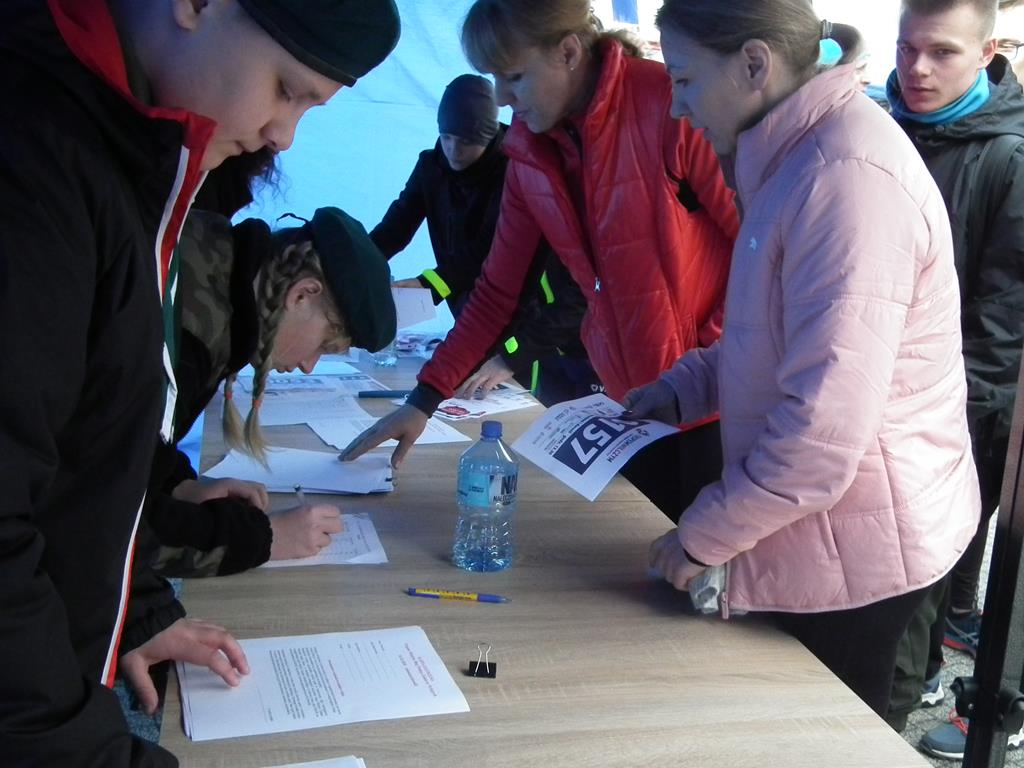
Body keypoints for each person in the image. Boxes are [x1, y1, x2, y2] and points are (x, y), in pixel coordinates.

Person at [0, 0, 400, 764]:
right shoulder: (38, 158)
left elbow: (89, 444)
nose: (284, 135)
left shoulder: (129, 166)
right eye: (286, 90)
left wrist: (145, 583)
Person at [626, 0, 981, 719]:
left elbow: (823, 433)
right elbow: (783, 336)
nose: (678, 107)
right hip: (839, 523)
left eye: (685, 79)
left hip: (866, 542)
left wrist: (702, 536)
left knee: (830, 734)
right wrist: (686, 386)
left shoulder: (845, 179)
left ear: (755, 64)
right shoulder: (799, 153)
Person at [341, 0, 739, 524]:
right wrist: (423, 400)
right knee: (637, 549)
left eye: (513, 77)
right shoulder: (528, 152)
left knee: (702, 555)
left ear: (568, 52)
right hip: (630, 403)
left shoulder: (667, 105)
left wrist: (711, 354)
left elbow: (762, 247)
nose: (501, 99)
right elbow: (495, 294)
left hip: (714, 401)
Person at [879, 0, 1024, 753]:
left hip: (964, 413)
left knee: (939, 563)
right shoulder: (885, 128)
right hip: (888, 401)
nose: (918, 68)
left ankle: (990, 710)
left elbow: (1004, 317)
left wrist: (947, 425)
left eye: (942, 52)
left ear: (987, 52)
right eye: (907, 48)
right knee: (924, 571)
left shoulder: (1009, 156)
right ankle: (930, 669)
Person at [136, 206, 396, 580]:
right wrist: (267, 538)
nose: (309, 366)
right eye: (324, 345)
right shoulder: (190, 333)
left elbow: (140, 452)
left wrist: (179, 486)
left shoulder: (214, 270)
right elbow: (110, 523)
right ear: (303, 295)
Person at [369, 73, 599, 406]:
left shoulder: (514, 168)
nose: (454, 150)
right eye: (447, 137)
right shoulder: (431, 166)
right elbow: (395, 228)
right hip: (470, 312)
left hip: (523, 318)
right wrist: (359, 268)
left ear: (489, 136)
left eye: (466, 142)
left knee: (515, 400)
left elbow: (493, 251)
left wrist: (431, 284)